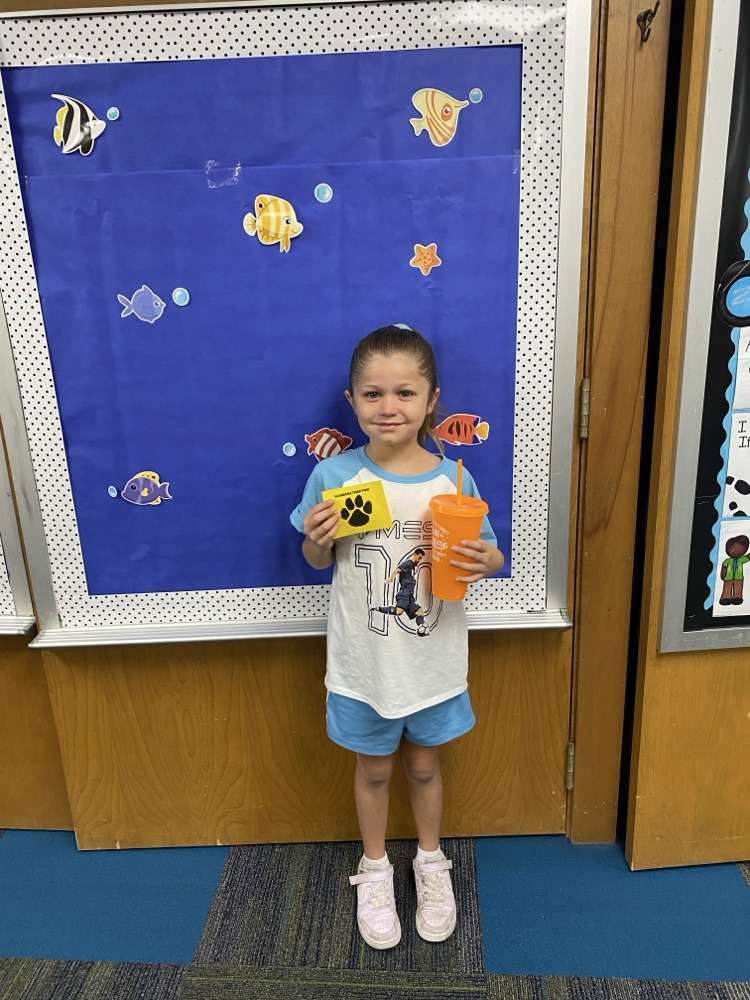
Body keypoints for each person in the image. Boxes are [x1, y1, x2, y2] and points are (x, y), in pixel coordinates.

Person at [290, 324, 504, 950]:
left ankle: (430, 862)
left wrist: (487, 561)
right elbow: (316, 560)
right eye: (373, 394)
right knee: (376, 768)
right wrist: (317, 540)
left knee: (424, 763)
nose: (389, 407)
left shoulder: (453, 478)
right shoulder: (335, 476)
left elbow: (488, 553)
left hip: (432, 660)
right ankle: (376, 866)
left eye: (405, 393)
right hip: (365, 662)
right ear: (352, 400)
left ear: (432, 399)